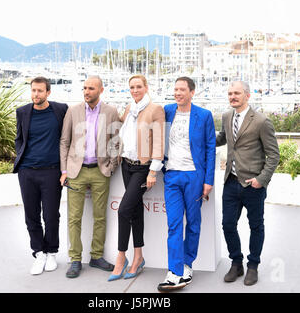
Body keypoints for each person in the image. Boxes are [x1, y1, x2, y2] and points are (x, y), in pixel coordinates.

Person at [216, 81, 280, 286]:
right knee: (227, 225)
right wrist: (198, 135)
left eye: (236, 93)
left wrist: (261, 180)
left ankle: (253, 266)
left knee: (256, 226)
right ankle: (236, 263)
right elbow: (223, 138)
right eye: (230, 93)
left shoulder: (261, 121)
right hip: (231, 182)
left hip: (253, 185)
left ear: (247, 95)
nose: (232, 96)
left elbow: (274, 155)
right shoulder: (227, 116)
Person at [157, 76, 216, 292]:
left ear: (192, 92)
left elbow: (211, 148)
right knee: (174, 224)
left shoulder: (204, 115)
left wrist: (208, 180)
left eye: (182, 89)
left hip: (194, 176)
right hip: (171, 176)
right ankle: (174, 271)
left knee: (193, 222)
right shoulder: (167, 111)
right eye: (175, 89)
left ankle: (187, 264)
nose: (178, 93)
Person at [60, 75, 120, 278]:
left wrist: (111, 166)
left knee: (100, 217)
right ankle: (75, 259)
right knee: (74, 218)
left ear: (101, 90)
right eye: (85, 88)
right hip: (76, 172)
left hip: (100, 171)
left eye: (91, 88)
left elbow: (116, 141)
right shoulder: (73, 111)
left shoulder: (111, 112)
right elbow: (64, 142)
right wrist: (65, 171)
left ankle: (96, 256)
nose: (86, 91)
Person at [108, 75, 165, 281]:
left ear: (146, 87)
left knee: (123, 210)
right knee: (134, 211)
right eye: (131, 87)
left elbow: (158, 142)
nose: (135, 90)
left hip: (143, 168)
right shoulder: (129, 108)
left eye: (138, 86)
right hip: (126, 165)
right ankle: (139, 257)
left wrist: (153, 171)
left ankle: (121, 257)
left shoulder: (155, 109)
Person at [13, 76, 68, 275]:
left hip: (52, 171)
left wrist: (66, 168)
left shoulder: (60, 110)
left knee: (51, 215)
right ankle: (39, 253)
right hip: (27, 172)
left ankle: (52, 251)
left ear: (48, 93)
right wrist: (21, 163)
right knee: (31, 216)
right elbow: (19, 139)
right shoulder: (23, 112)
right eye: (33, 90)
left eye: (40, 91)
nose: (36, 94)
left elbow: (67, 136)